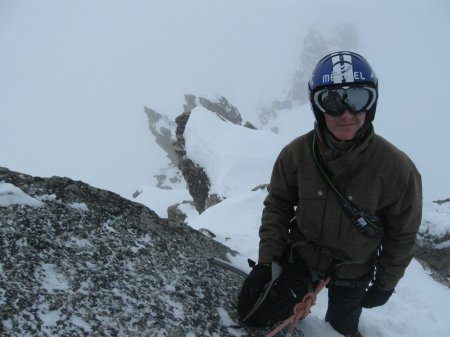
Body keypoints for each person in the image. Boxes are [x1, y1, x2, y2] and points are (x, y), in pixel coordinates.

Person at [237, 51, 422, 337]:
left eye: (358, 98)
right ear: (318, 107)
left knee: (340, 330)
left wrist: (386, 283)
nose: (346, 113)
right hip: (302, 257)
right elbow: (278, 206)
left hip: (353, 272)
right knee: (258, 314)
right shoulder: (297, 154)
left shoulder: (396, 169)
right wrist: (267, 262)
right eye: (332, 102)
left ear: (371, 104)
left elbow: (402, 234)